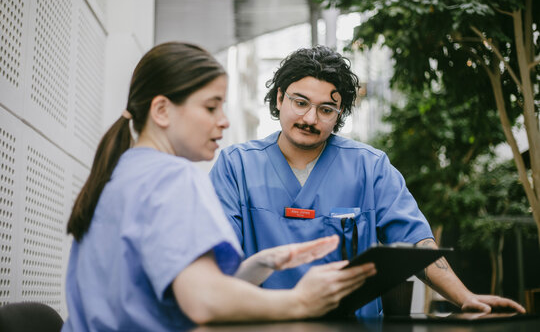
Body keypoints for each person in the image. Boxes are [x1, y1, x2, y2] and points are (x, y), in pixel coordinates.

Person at [62, 42, 378, 332]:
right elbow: (203, 300)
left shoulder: (119, 173)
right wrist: (302, 301)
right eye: (211, 108)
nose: (224, 121)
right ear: (161, 111)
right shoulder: (173, 178)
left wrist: (262, 263)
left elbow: (185, 284)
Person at [209, 45, 526, 318]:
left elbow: (417, 243)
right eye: (300, 102)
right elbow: (218, 259)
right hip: (263, 323)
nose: (310, 119)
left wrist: (464, 297)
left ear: (340, 112)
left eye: (326, 109)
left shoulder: (370, 168)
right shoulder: (235, 166)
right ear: (280, 98)